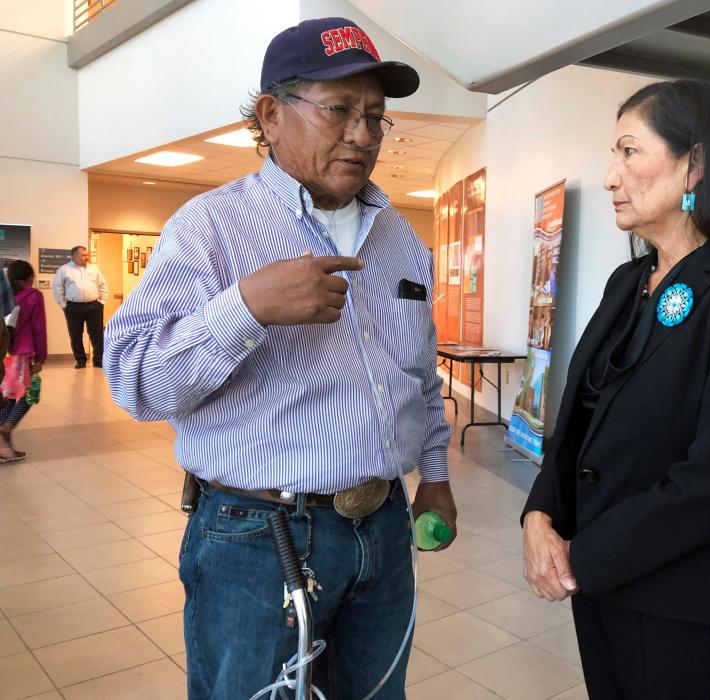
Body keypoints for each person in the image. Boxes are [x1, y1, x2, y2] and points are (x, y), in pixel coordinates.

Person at [104, 17, 456, 700]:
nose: (362, 134)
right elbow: (134, 380)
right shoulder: (208, 228)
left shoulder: (401, 240)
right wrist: (247, 308)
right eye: (340, 111)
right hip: (257, 537)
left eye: (376, 118)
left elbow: (418, 374)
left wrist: (435, 473)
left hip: (382, 527)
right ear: (271, 115)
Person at [521, 80, 710, 699]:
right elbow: (576, 419)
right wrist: (539, 515)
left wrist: (580, 557)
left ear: (697, 164)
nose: (609, 176)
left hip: (681, 593)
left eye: (629, 151)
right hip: (601, 577)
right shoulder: (628, 281)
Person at [0, 261, 46, 462]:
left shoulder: (6, 295)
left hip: (4, 352)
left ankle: (5, 441)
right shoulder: (34, 295)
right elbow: (39, 328)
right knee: (29, 395)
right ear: (30, 277)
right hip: (20, 352)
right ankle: (5, 432)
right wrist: (41, 357)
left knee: (7, 396)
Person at [52, 245, 108, 368]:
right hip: (73, 308)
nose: (86, 257)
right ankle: (80, 361)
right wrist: (63, 305)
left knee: (97, 334)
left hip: (94, 306)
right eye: (83, 255)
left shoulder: (94, 269)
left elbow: (103, 285)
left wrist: (102, 302)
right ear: (73, 256)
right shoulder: (64, 270)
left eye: (87, 254)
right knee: (76, 335)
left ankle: (98, 360)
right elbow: (57, 288)